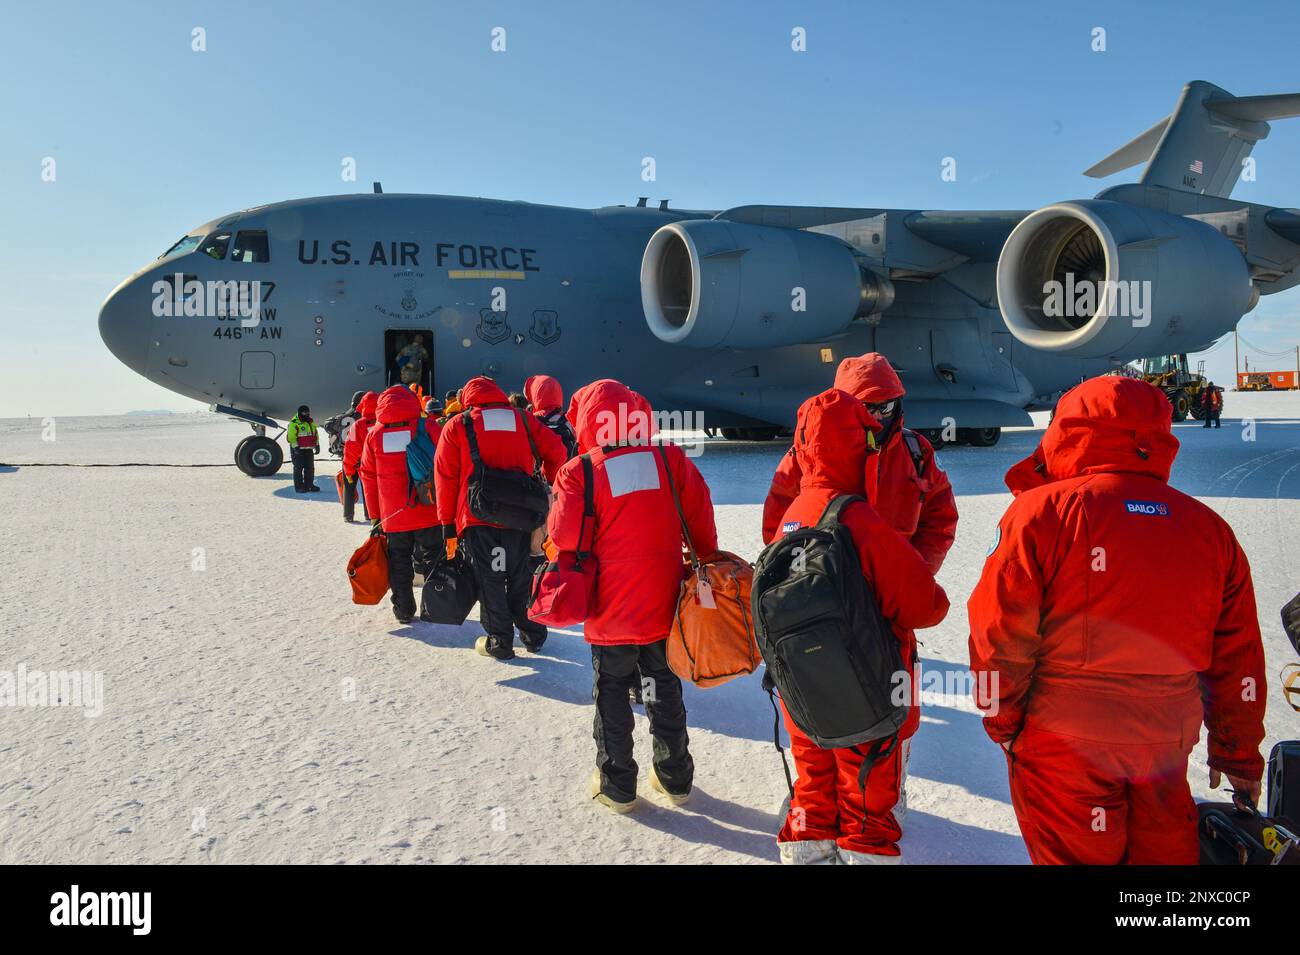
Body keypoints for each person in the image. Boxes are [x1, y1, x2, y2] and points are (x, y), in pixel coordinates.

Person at [967, 376, 1267, 865]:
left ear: (1069, 431)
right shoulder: (1210, 529)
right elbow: (1238, 654)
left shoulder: (1039, 513)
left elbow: (998, 628)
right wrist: (1238, 752)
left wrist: (1004, 719)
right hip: (1164, 744)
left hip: (1063, 742)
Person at [770, 388, 949, 863]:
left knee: (813, 788)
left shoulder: (792, 516)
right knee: (867, 795)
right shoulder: (858, 519)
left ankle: (807, 853)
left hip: (803, 690)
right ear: (861, 444)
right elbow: (927, 607)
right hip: (867, 687)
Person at [548, 379, 718, 812]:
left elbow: (564, 538)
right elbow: (700, 517)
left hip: (610, 608)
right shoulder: (671, 459)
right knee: (663, 686)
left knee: (611, 693)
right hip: (663, 603)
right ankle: (676, 778)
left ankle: (617, 785)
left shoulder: (580, 470)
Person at [762, 353, 958, 576]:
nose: (877, 417)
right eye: (866, 408)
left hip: (894, 585)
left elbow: (940, 516)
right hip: (827, 586)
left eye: (885, 407)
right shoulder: (810, 452)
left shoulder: (917, 452)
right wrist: (799, 577)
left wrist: (915, 571)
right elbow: (778, 518)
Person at [433, 376, 567, 659]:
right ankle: (534, 634)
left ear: (468, 398)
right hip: (521, 514)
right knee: (521, 576)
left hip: (479, 515)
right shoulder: (523, 419)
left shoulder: (458, 425)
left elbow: (445, 477)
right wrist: (551, 487)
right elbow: (557, 451)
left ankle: (500, 640)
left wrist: (447, 525)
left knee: (489, 580)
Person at [358, 385, 444, 623]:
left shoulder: (374, 435)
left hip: (394, 515)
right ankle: (435, 607)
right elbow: (447, 463)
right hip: (429, 509)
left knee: (399, 563)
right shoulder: (428, 427)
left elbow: (367, 476)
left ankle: (404, 609)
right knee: (433, 559)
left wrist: (376, 516)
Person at [340, 391, 377, 522]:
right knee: (369, 489)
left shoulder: (356, 422)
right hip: (374, 463)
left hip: (355, 461)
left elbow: (350, 449)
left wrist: (348, 469)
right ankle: (370, 514)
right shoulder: (382, 422)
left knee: (349, 488)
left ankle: (348, 515)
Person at [525, 374, 580, 460]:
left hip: (542, 470)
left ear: (535, 395)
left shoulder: (531, 420)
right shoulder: (569, 419)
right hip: (567, 469)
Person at [287, 405, 320, 493]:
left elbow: (315, 433)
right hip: (298, 449)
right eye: (304, 412)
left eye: (307, 412)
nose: (306, 414)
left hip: (308, 448)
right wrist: (295, 447)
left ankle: (309, 485)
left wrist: (317, 445)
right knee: (298, 468)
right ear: (300, 412)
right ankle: (299, 487)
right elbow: (291, 436)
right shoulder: (294, 422)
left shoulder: (310, 421)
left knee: (310, 468)